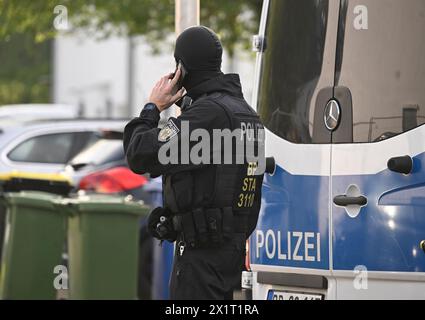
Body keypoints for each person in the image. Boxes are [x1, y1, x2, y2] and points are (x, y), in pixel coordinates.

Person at [123, 26, 265, 300]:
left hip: (201, 260)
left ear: (181, 68)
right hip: (232, 255)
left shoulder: (207, 115)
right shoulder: (247, 114)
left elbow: (138, 152)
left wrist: (153, 107)